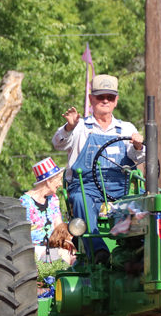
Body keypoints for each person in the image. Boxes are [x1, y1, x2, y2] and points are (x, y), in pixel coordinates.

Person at [52, 74, 145, 252]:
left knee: (146, 199)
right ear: (91, 99)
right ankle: (98, 251)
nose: (105, 101)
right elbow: (58, 143)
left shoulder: (126, 128)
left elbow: (138, 157)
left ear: (116, 101)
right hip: (87, 186)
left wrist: (138, 145)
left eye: (109, 97)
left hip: (121, 187)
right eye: (100, 96)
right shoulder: (79, 127)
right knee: (80, 199)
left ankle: (139, 249)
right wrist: (68, 127)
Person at [20, 157, 69, 261]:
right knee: (62, 256)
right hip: (33, 249)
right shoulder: (25, 202)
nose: (60, 184)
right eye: (58, 180)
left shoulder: (53, 199)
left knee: (73, 256)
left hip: (52, 246)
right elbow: (23, 233)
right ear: (48, 181)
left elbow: (58, 225)